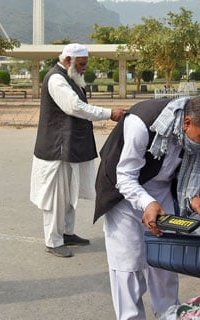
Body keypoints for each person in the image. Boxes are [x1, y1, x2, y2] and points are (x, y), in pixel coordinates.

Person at [94, 95, 200, 320]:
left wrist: (193, 199)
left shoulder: (190, 135)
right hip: (124, 192)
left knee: (165, 258)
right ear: (187, 123)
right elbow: (125, 176)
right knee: (128, 263)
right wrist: (147, 203)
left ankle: (169, 314)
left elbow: (179, 173)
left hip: (161, 190)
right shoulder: (142, 122)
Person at [30, 43, 126, 258]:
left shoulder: (71, 77)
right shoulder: (56, 79)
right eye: (81, 64)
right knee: (57, 196)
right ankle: (53, 241)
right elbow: (74, 107)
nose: (84, 68)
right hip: (57, 149)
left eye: (85, 64)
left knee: (70, 193)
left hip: (71, 147)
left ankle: (67, 232)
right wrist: (108, 113)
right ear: (67, 61)